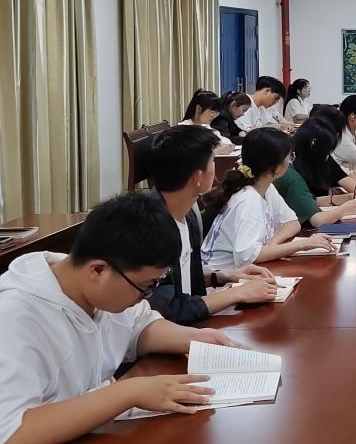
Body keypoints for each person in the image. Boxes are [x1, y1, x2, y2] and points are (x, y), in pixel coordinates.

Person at [0, 194, 236, 444]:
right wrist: (129, 392)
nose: (146, 296)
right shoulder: (15, 317)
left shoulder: (93, 284)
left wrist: (193, 337)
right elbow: (13, 432)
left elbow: (139, 325)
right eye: (145, 286)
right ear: (98, 270)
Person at [146, 126, 277, 324]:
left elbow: (186, 282)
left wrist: (225, 276)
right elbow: (167, 310)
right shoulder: (152, 229)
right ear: (198, 177)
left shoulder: (188, 213)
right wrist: (238, 293)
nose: (215, 167)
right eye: (213, 161)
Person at [201, 128, 334, 269]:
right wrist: (302, 244)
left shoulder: (266, 188)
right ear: (275, 167)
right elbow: (247, 258)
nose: (290, 161)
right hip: (222, 277)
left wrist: (272, 245)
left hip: (242, 273)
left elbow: (292, 223)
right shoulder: (248, 200)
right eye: (289, 157)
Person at [274, 125, 356, 228]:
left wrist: (344, 198)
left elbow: (309, 201)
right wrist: (344, 209)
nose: (327, 158)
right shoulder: (291, 177)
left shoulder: (290, 171)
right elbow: (318, 220)